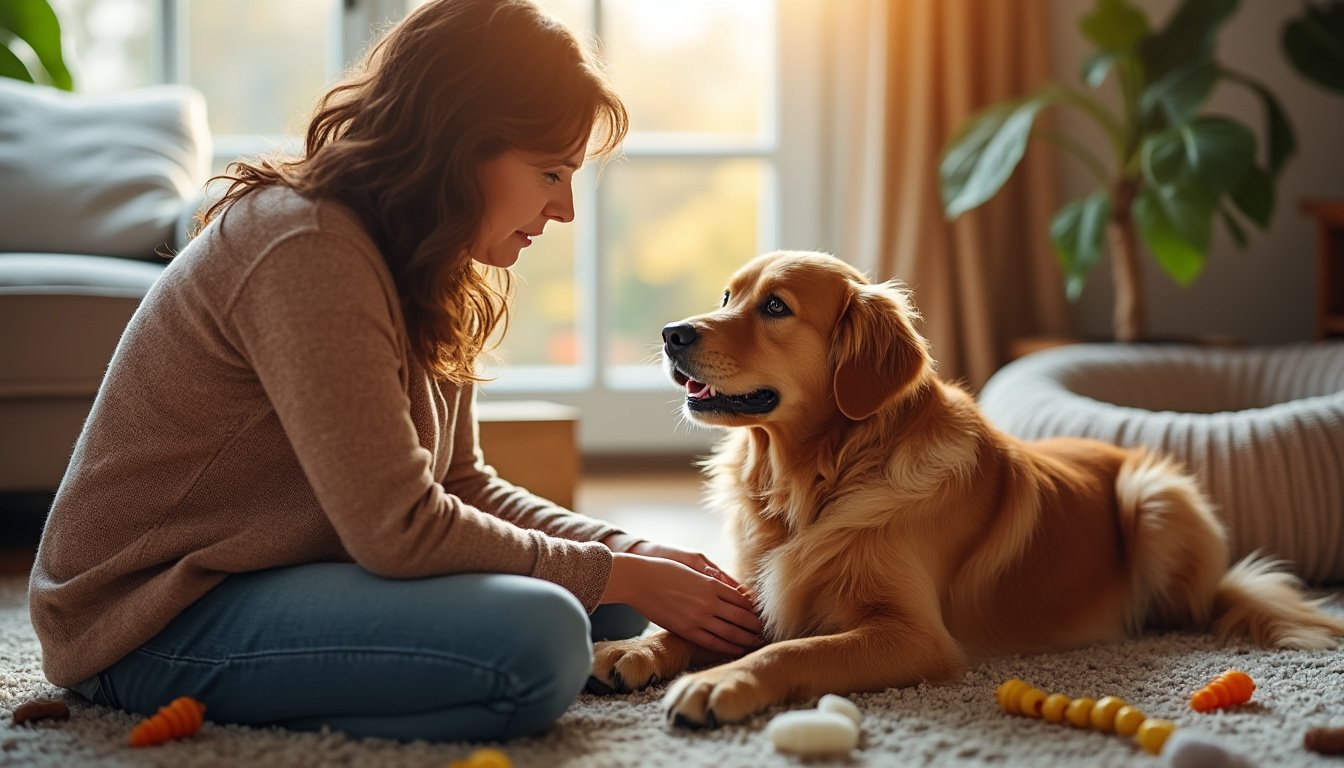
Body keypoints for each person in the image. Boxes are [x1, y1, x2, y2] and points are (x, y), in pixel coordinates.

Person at [28, 0, 763, 743]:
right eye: (550, 172)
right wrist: (619, 571)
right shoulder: (305, 247)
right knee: (543, 637)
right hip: (148, 613)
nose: (566, 209)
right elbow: (397, 530)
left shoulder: (430, 261)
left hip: (277, 568)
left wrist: (631, 554)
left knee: (615, 607)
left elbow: (462, 485)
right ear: (460, 144)